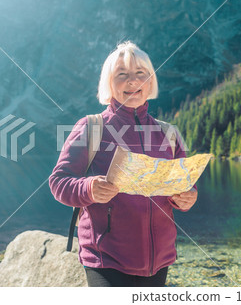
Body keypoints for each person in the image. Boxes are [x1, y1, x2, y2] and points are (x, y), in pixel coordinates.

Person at [49, 41, 197, 287]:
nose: (132, 81)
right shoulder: (91, 127)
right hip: (105, 260)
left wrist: (187, 197)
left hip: (159, 260)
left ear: (150, 82)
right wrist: (89, 188)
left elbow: (184, 186)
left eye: (140, 74)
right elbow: (58, 182)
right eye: (122, 75)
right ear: (109, 84)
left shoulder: (169, 134)